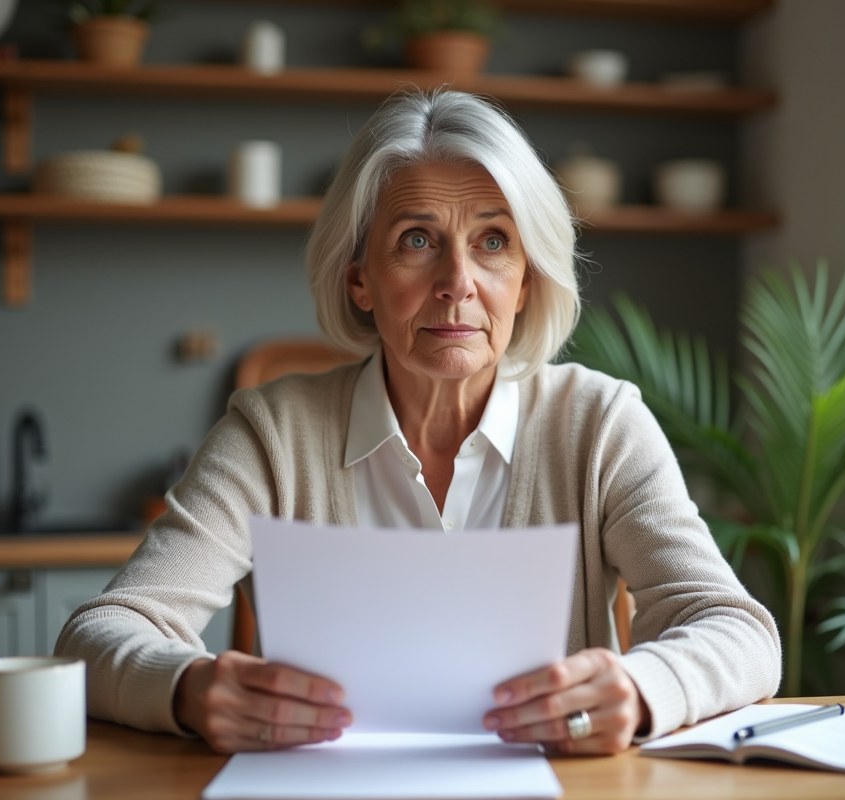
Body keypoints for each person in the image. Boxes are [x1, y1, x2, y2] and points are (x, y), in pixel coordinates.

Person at [56, 89, 781, 756]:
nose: (457, 283)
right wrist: (189, 689)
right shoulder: (272, 434)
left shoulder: (599, 425)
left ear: (525, 282)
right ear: (359, 279)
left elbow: (738, 631)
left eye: (493, 242)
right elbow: (96, 636)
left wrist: (642, 688)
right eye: (416, 240)